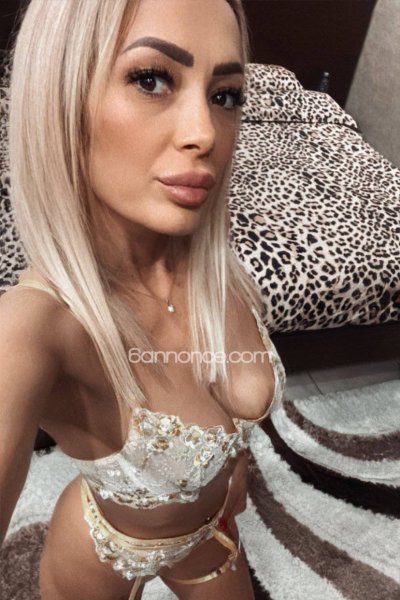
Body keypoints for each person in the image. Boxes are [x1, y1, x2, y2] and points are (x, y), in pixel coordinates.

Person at [0, 0, 286, 598]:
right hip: (103, 554)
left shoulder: (211, 264)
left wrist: (232, 475)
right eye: (152, 79)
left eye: (225, 94)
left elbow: (235, 426)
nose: (204, 133)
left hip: (209, 534)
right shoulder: (32, 328)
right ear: (61, 98)